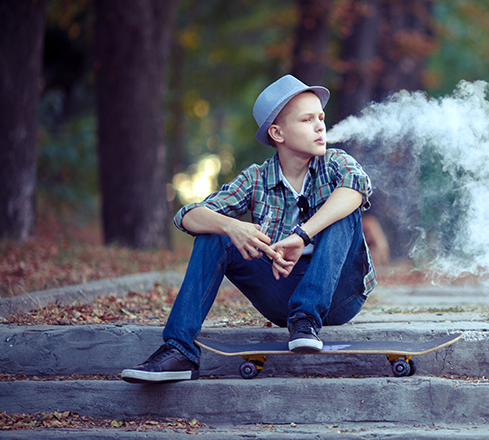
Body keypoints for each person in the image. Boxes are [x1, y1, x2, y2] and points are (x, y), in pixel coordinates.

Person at [122, 75, 376, 383]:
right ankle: (179, 351)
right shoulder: (256, 179)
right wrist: (233, 227)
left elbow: (356, 188)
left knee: (344, 210)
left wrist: (302, 234)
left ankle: (307, 317)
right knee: (214, 235)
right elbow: (187, 215)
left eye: (320, 118)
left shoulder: (334, 162)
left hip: (340, 296)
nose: (320, 126)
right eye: (307, 119)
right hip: (282, 296)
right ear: (277, 133)